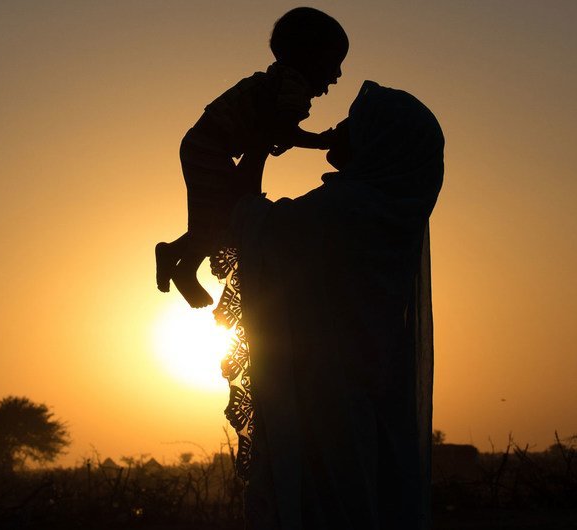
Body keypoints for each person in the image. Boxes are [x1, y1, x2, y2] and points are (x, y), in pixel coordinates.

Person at [213, 80, 444, 529]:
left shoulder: (350, 208)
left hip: (330, 398)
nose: (336, 128)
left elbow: (250, 223)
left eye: (354, 124)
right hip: (367, 391)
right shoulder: (392, 211)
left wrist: (259, 145)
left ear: (378, 144)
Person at [155, 7, 348, 308]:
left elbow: (275, 132)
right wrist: (322, 141)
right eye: (333, 64)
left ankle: (173, 253)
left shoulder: (281, 82)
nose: (337, 76)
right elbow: (283, 131)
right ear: (310, 57)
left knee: (221, 214)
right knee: (217, 216)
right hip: (209, 148)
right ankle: (185, 269)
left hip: (210, 146)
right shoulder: (290, 86)